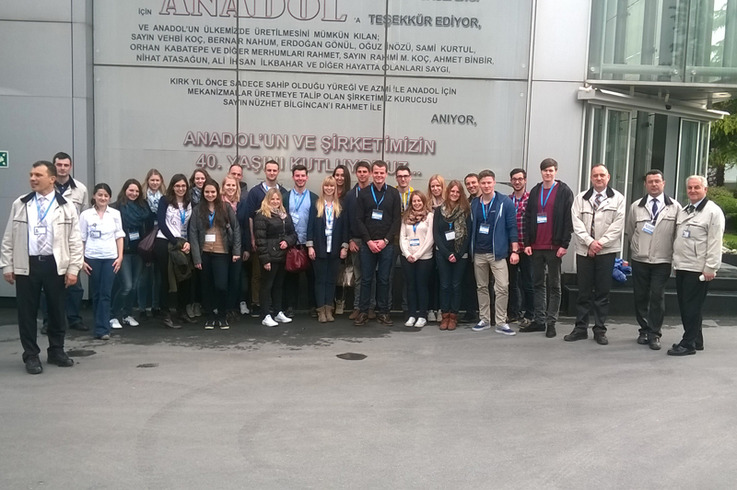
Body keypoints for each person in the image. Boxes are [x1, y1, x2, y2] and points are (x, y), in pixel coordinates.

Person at [1, 161, 83, 374]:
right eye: (31, 175)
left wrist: (74, 268)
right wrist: (7, 265)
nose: (33, 179)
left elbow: (75, 239)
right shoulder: (21, 203)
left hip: (55, 264)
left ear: (52, 179)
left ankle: (56, 350)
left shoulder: (66, 206)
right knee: (26, 312)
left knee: (57, 310)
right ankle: (31, 355)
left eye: (38, 175)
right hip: (27, 264)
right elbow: (9, 237)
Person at [567, 164, 625, 345]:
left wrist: (600, 243)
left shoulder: (618, 199)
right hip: (584, 250)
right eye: (595, 176)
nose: (598, 178)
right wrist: (590, 242)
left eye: (602, 175)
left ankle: (600, 329)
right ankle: (580, 328)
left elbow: (618, 225)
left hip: (606, 251)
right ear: (591, 178)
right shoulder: (580, 198)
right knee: (583, 292)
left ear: (608, 177)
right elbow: (576, 223)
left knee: (602, 292)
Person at [668, 175, 725, 356]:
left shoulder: (713, 212)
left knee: (691, 307)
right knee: (687, 306)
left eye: (697, 188)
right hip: (683, 265)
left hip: (698, 268)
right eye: (690, 188)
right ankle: (696, 339)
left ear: (705, 190)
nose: (692, 191)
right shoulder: (685, 210)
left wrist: (711, 267)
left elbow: (715, 242)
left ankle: (688, 344)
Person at [626, 170, 680, 350]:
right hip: (640, 259)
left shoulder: (675, 207)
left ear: (664, 183)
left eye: (657, 181)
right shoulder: (636, 206)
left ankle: (655, 333)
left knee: (657, 296)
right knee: (640, 296)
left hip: (662, 260)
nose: (654, 184)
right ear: (645, 185)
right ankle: (643, 330)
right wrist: (637, 249)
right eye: (650, 182)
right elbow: (631, 231)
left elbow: (677, 235)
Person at [520, 159, 574, 338]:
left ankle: (551, 322)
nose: (547, 173)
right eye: (544, 171)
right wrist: (527, 243)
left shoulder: (564, 191)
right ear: (541, 172)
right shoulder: (535, 191)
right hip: (536, 246)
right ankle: (539, 320)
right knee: (538, 284)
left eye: (551, 170)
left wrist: (564, 244)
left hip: (554, 247)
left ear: (556, 171)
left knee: (554, 285)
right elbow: (528, 218)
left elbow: (568, 219)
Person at [40, 152, 88, 333]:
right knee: (47, 287)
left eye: (65, 165)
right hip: (47, 242)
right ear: (54, 167)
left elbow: (82, 215)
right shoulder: (46, 187)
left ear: (71, 166)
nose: (62, 168)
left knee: (75, 286)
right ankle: (48, 321)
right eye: (59, 165)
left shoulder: (80, 189)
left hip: (70, 241)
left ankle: (74, 318)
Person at [469, 170, 519, 335]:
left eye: (489, 182)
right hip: (479, 253)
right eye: (483, 183)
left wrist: (514, 250)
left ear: (494, 182)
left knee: (502, 287)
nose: (486, 186)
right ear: (479, 184)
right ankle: (484, 319)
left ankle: (501, 321)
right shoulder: (475, 204)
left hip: (497, 253)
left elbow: (512, 227)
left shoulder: (505, 202)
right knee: (481, 287)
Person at [353, 160, 401, 326]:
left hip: (386, 244)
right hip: (368, 244)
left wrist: (385, 240)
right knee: (366, 279)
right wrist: (369, 241)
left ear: (386, 174)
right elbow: (359, 219)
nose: (379, 175)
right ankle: (363, 312)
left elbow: (396, 220)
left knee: (384, 279)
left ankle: (384, 312)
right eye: (376, 172)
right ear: (372, 174)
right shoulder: (364, 193)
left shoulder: (394, 194)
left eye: (382, 172)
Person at [190, 180, 241, 330]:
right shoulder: (198, 209)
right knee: (206, 286)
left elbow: (236, 229)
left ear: (217, 192)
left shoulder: (225, 208)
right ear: (203, 193)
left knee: (221, 285)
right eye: (207, 192)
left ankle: (222, 314)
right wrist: (196, 258)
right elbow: (193, 233)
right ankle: (210, 316)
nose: (210, 194)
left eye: (213, 192)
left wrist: (237, 251)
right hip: (204, 252)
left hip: (221, 252)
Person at [80, 184, 125, 340]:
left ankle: (103, 329)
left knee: (106, 293)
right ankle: (99, 324)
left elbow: (119, 236)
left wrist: (120, 257)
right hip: (92, 257)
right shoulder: (86, 215)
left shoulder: (115, 214)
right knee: (97, 293)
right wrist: (82, 260)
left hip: (110, 258)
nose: (103, 198)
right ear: (94, 196)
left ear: (109, 198)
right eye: (100, 195)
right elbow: (82, 238)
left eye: (106, 195)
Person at [245, 159, 288, 318]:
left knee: (276, 282)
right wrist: (253, 238)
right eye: (269, 170)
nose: (272, 173)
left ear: (278, 171)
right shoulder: (255, 192)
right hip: (262, 243)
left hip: (279, 249)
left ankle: (275, 310)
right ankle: (258, 306)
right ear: (265, 171)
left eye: (274, 170)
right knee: (260, 276)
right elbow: (250, 217)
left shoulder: (283, 191)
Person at [111, 179, 153, 328]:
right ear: (125, 190)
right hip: (123, 252)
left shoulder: (143, 209)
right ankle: (114, 315)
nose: (134, 193)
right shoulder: (115, 208)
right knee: (126, 286)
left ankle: (127, 314)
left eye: (136, 191)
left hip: (139, 251)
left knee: (134, 286)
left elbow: (148, 230)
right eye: (131, 190)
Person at [307, 176, 349, 322]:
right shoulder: (316, 205)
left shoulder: (340, 206)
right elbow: (310, 227)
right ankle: (320, 310)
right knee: (320, 280)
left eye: (332, 186)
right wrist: (310, 246)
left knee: (331, 280)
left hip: (335, 249)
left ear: (335, 188)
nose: (329, 188)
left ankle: (329, 309)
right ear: (323, 187)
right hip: (319, 248)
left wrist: (345, 247)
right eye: (327, 186)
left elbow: (345, 229)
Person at [154, 174, 194, 329]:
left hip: (183, 243)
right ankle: (165, 314)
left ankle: (182, 312)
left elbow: (190, 224)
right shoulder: (165, 201)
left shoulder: (189, 202)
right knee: (166, 279)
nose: (181, 189)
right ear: (172, 187)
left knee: (185, 278)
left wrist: (187, 242)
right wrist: (175, 241)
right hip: (165, 242)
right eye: (177, 186)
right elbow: (162, 223)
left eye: (183, 186)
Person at [254, 188, 297, 327]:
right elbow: (260, 240)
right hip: (269, 256)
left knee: (279, 286)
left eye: (277, 199)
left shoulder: (284, 215)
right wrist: (265, 259)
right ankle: (265, 314)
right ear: (267, 200)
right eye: (272, 199)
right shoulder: (262, 215)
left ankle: (278, 312)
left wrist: (288, 242)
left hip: (282, 256)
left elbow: (293, 234)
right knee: (267, 286)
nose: (275, 201)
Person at [433, 180, 472, 330]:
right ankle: (445, 316)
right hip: (442, 254)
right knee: (444, 285)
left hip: (460, 255)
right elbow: (436, 234)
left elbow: (468, 235)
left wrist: (458, 253)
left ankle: (453, 316)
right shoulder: (439, 210)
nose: (454, 194)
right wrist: (447, 253)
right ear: (448, 192)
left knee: (456, 285)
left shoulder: (465, 210)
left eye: (457, 192)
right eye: (452, 191)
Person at [282, 164, 318, 317]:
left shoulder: (314, 198)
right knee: (290, 277)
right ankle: (290, 306)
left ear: (307, 177)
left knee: (312, 277)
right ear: (293, 177)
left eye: (303, 176)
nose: (300, 178)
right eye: (297, 176)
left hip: (308, 243)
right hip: (291, 243)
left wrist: (312, 243)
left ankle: (312, 306)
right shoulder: (285, 197)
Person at [400, 191, 435, 327]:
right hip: (407, 257)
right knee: (410, 286)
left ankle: (422, 315)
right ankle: (412, 314)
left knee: (421, 286)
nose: (417, 203)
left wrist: (417, 255)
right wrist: (407, 253)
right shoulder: (406, 217)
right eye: (414, 201)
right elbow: (402, 237)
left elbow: (430, 239)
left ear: (423, 201)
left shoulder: (429, 216)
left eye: (419, 201)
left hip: (424, 257)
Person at [345, 160, 372, 320]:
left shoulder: (374, 193)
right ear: (356, 173)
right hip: (356, 240)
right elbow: (346, 220)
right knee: (359, 275)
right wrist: (350, 240)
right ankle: (357, 307)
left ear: (369, 173)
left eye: (365, 171)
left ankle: (370, 307)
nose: (362, 174)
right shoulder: (350, 195)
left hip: (371, 241)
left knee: (371, 276)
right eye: (359, 172)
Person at [507, 168, 534, 328]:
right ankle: (513, 313)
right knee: (511, 283)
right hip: (510, 249)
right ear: (511, 181)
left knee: (528, 283)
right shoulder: (507, 201)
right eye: (514, 179)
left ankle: (530, 314)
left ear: (525, 180)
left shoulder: (531, 200)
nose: (517, 182)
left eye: (520, 179)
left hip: (527, 249)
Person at [139, 168, 166, 319]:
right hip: (145, 240)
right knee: (144, 276)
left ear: (161, 181)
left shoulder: (165, 199)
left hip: (160, 238)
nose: (155, 183)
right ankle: (142, 307)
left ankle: (156, 305)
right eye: (152, 180)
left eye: (157, 180)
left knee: (158, 275)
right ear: (147, 181)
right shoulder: (142, 199)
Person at [331, 164, 352, 314]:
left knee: (342, 272)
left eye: (342, 175)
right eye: (336, 175)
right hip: (329, 240)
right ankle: (329, 301)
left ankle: (340, 301)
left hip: (343, 239)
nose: (339, 178)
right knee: (331, 273)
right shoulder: (328, 194)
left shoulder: (349, 196)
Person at [461, 172, 481, 322]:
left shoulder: (487, 201)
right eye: (468, 184)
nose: (471, 186)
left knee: (486, 283)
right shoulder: (466, 204)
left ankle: (487, 313)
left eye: (473, 182)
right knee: (469, 282)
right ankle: (471, 312)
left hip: (485, 248)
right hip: (469, 249)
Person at [426, 174, 445, 322]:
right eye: (433, 186)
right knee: (430, 279)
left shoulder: (448, 204)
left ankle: (440, 309)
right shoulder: (425, 204)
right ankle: (430, 309)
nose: (435, 188)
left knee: (441, 280)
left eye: (438, 185)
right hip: (427, 247)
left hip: (443, 247)